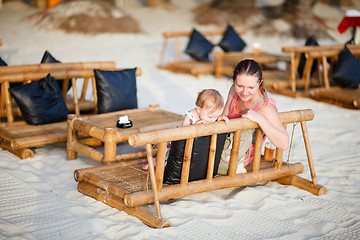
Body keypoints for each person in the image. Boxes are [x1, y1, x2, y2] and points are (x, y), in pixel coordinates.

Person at [217, 59, 289, 174]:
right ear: (234, 81)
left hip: (239, 157)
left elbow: (284, 143)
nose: (244, 92)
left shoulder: (265, 107)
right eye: (240, 85)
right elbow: (224, 116)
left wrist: (260, 119)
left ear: (259, 83)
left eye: (251, 88)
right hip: (224, 144)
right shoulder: (233, 90)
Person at [142, 88, 225, 170]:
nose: (213, 120)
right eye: (210, 117)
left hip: (195, 146)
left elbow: (216, 119)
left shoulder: (211, 118)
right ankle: (155, 162)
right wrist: (196, 125)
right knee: (166, 154)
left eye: (216, 116)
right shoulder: (190, 116)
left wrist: (222, 118)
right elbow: (184, 131)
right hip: (178, 142)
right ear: (199, 109)